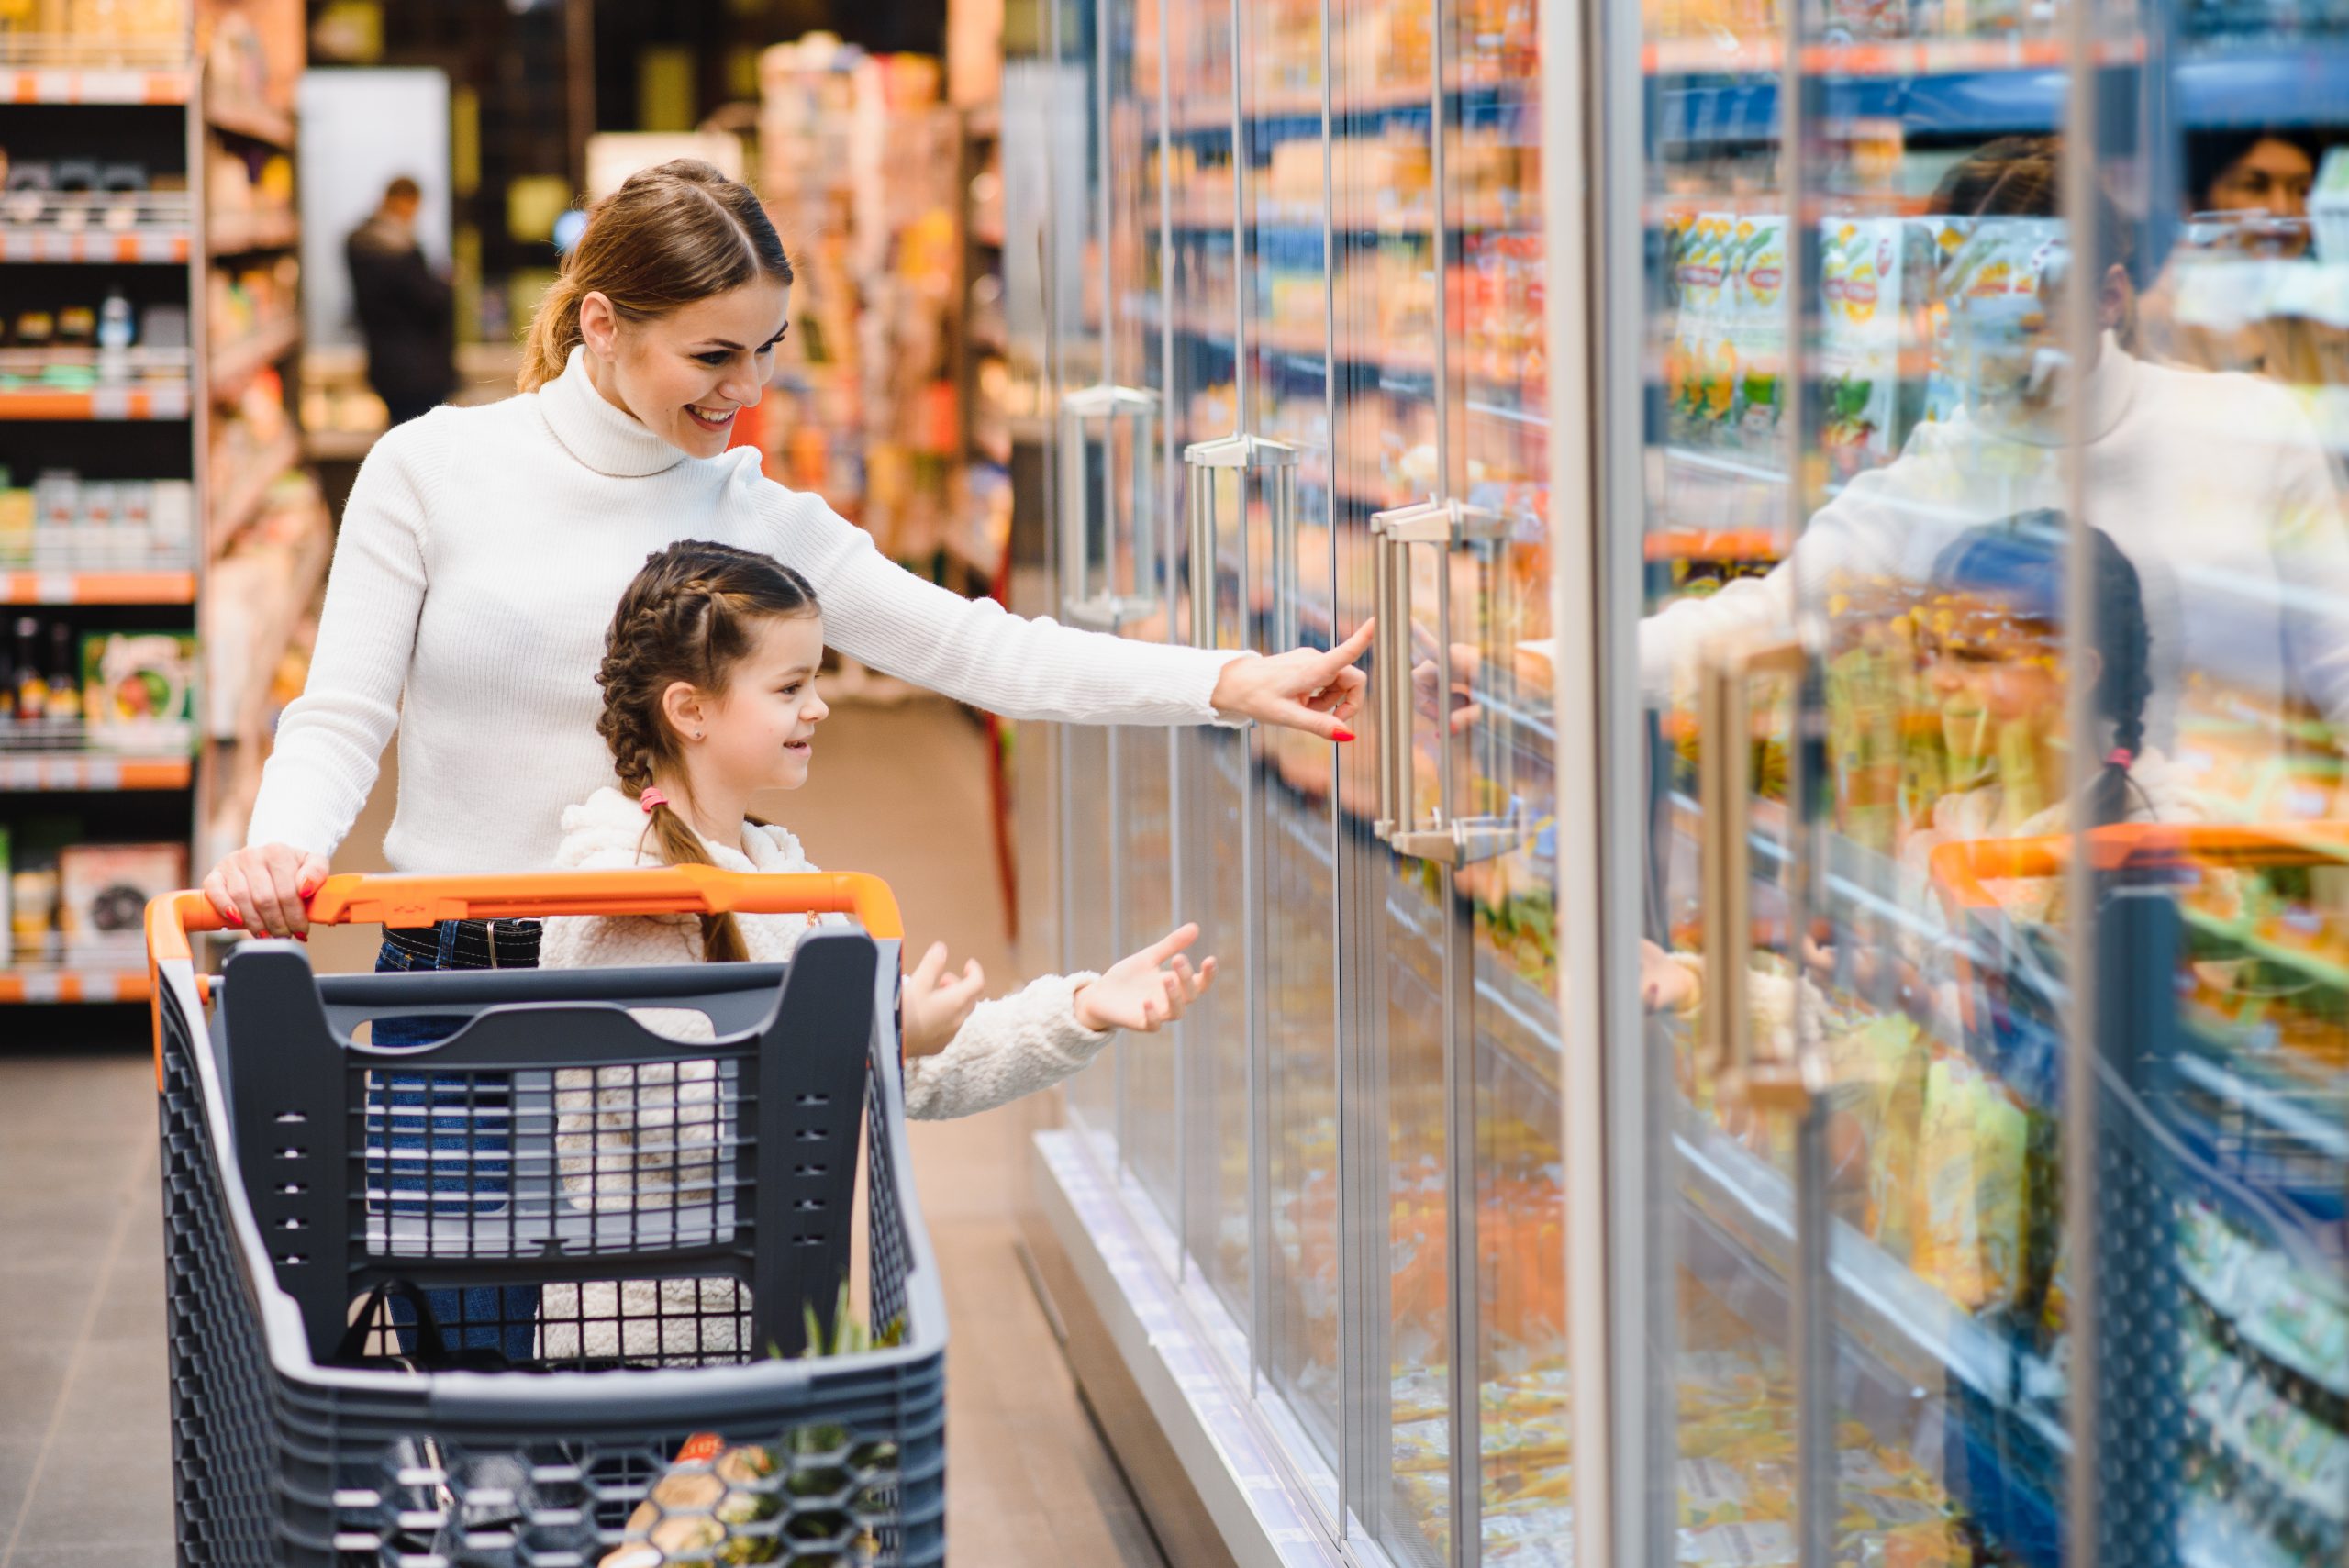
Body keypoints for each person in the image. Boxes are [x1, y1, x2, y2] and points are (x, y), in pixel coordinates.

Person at [208, 159, 1366, 943]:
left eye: (766, 348)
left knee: (655, 1310)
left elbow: (979, 649)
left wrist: (1223, 682)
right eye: (713, 355)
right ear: (602, 326)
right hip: (456, 958)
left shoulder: (754, 513)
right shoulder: (429, 469)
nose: (748, 389)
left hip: (668, 959)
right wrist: (279, 851)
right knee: (461, 1312)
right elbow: (342, 714)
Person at [532, 543, 1218, 1361]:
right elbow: (686, 1129)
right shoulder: (625, 889)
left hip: (763, 1329)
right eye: (789, 688)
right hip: (641, 1352)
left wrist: (1079, 1008)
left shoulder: (776, 869)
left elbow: (915, 1072)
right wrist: (876, 1041)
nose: (818, 707)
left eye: (816, 680)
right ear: (691, 709)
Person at [344, 175, 455, 428]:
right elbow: (429, 300)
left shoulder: (359, 243)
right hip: (417, 369)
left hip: (385, 363)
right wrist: (444, 284)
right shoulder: (397, 250)